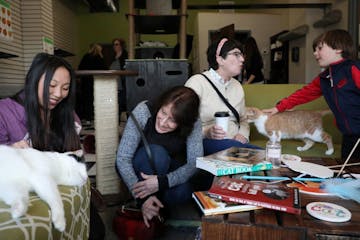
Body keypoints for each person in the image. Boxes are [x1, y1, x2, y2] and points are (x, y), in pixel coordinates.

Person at [0, 53, 105, 239]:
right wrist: (11, 149)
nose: (58, 95)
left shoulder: (65, 113)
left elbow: (74, 154)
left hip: (61, 189)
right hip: (23, 191)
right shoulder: (5, 111)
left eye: (65, 88)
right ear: (33, 79)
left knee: (96, 231)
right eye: (52, 85)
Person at [263, 29, 360, 162]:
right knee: (349, 173)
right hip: (349, 136)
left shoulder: (353, 69)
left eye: (320, 48)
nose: (315, 53)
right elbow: (303, 94)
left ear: (338, 48)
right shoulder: (324, 78)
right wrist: (279, 108)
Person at [116, 86, 203, 227]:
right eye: (163, 112)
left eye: (172, 120)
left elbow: (194, 162)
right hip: (139, 169)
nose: (163, 122)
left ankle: (157, 208)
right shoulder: (143, 111)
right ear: (161, 104)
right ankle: (146, 204)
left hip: (165, 176)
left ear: (183, 122)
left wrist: (161, 182)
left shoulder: (194, 122)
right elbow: (122, 158)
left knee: (185, 191)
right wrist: (143, 198)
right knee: (158, 154)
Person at [185, 38, 260, 156]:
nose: (242, 59)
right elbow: (184, 123)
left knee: (265, 154)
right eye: (236, 54)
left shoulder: (237, 86)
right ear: (220, 59)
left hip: (235, 143)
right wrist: (206, 132)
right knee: (255, 154)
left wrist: (243, 135)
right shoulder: (196, 83)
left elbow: (243, 120)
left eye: (242, 55)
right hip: (207, 142)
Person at [77, 43, 107, 121]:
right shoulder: (99, 58)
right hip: (97, 82)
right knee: (96, 99)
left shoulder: (86, 56)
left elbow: (80, 68)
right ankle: (96, 117)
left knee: (87, 99)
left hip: (86, 82)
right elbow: (105, 69)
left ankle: (88, 118)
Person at [110, 38, 129, 113]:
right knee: (115, 103)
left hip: (122, 83)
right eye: (114, 45)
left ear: (121, 46)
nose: (115, 46)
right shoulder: (112, 56)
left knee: (121, 103)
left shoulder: (125, 55)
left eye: (117, 44)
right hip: (113, 83)